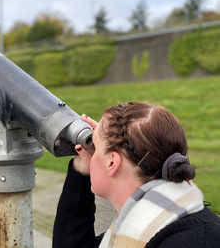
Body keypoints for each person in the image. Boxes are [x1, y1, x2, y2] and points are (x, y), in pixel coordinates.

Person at [53, 101, 220, 248]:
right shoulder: (145, 226)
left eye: (94, 145)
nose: (90, 152)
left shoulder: (192, 241)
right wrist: (82, 168)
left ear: (112, 162)